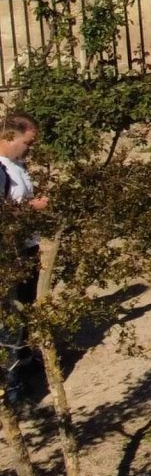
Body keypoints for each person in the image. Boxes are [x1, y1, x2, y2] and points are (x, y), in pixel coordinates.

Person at [0, 116, 42, 405]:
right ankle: (11, 392)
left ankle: (25, 365)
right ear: (9, 137)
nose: (30, 149)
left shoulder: (17, 166)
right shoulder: (0, 170)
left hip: (26, 247)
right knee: (11, 319)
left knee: (25, 310)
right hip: (10, 252)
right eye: (27, 143)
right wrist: (32, 208)